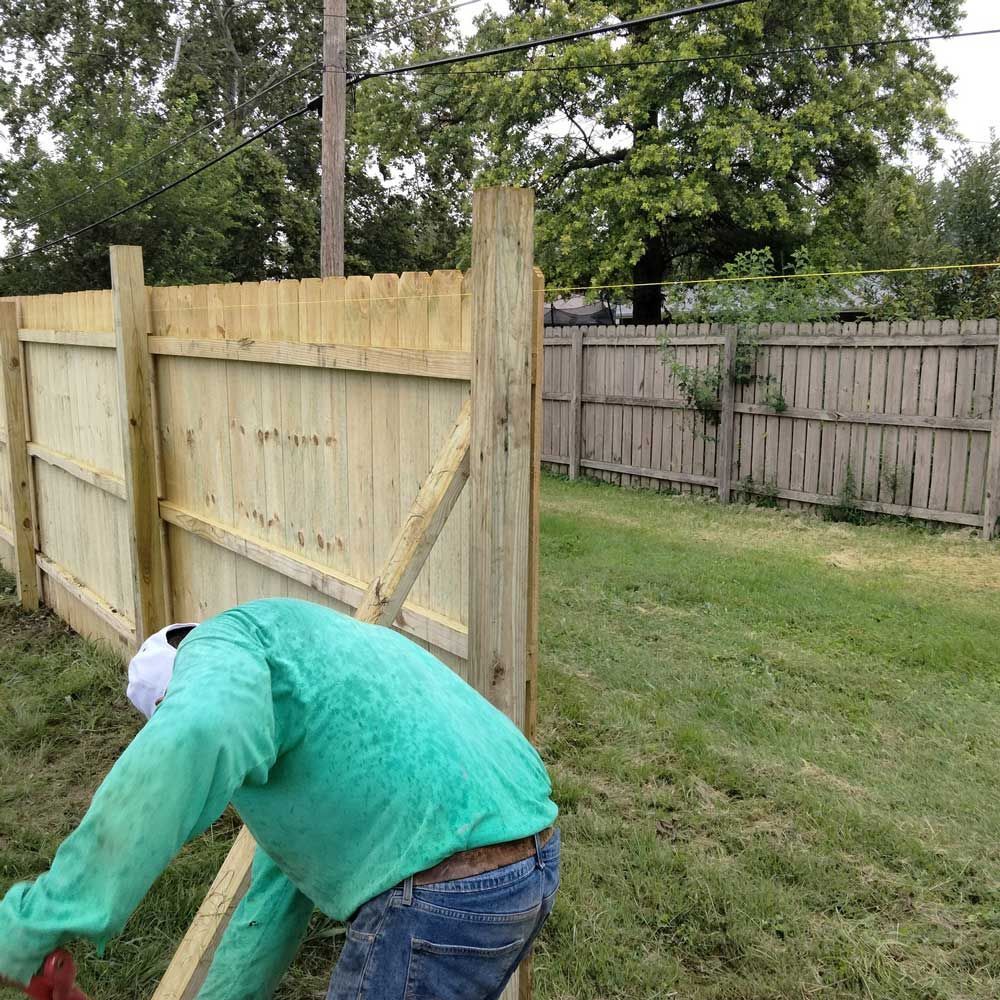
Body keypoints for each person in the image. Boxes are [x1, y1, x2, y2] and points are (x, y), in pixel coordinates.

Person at [0, 598, 560, 1000]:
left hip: (444, 888)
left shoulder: (225, 646)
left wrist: (36, 922)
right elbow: (267, 919)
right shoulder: (304, 682)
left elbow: (196, 732)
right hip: (526, 866)